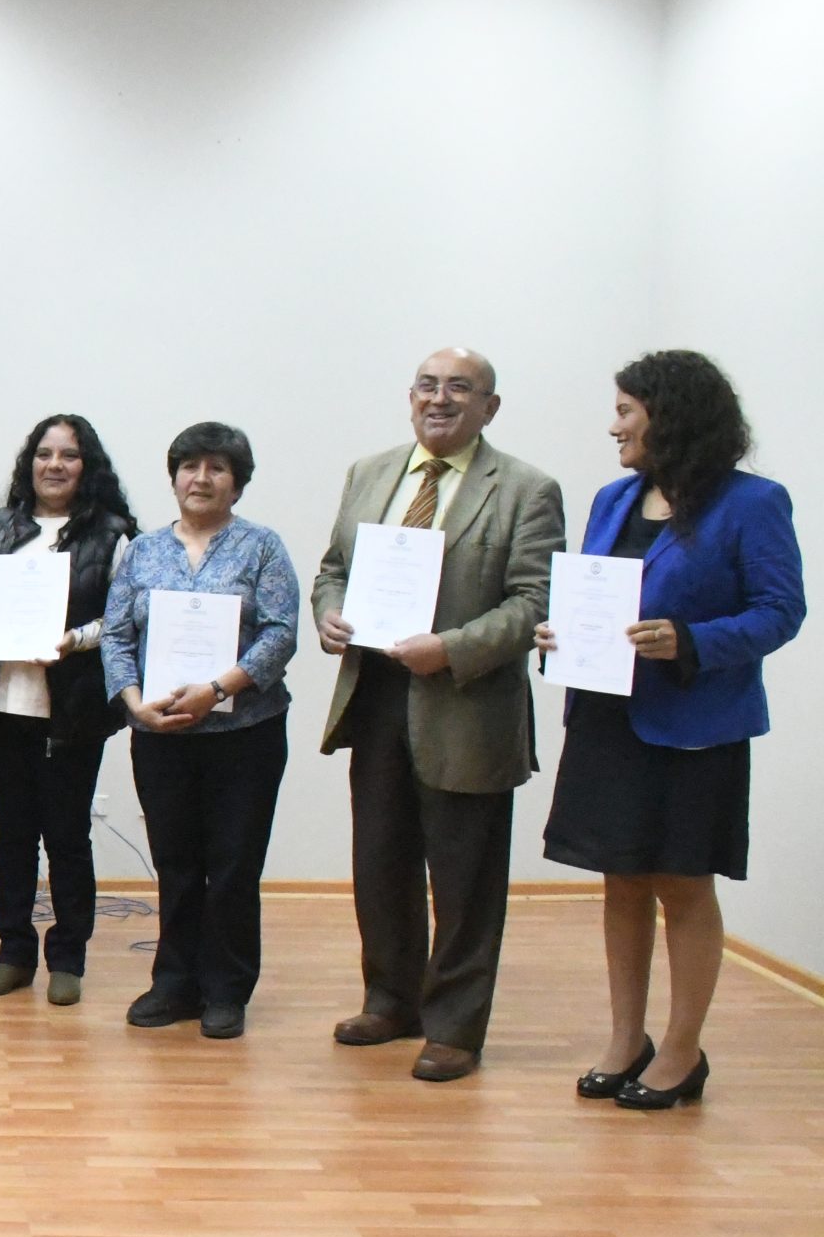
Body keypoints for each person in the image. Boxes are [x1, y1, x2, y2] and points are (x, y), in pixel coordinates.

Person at [539, 351, 804, 1110]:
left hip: (694, 724)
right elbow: (597, 592)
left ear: (671, 415)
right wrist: (560, 633)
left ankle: (683, 1050)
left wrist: (690, 640)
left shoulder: (753, 502)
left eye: (626, 410)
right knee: (621, 878)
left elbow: (780, 611)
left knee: (683, 884)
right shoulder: (612, 498)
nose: (614, 426)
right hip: (607, 716)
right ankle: (627, 1038)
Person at [312, 350, 564, 1082]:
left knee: (465, 877)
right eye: (428, 385)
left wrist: (450, 649)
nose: (440, 399)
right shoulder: (369, 473)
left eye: (460, 388)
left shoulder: (526, 488)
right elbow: (333, 569)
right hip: (376, 696)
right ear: (410, 395)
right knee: (380, 861)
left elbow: (534, 601)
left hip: (466, 703)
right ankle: (391, 1001)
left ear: (490, 406)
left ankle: (455, 1025)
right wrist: (330, 614)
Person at [99, 422, 300, 1040]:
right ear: (174, 477)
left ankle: (227, 989)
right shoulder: (143, 551)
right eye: (190, 466)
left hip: (245, 735)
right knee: (176, 862)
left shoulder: (261, 547)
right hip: (161, 735)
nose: (201, 478)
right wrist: (134, 704)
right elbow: (115, 635)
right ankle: (174, 982)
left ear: (237, 483)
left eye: (217, 468)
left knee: (233, 865)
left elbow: (280, 633)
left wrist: (217, 688)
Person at [0, 414, 137, 1007]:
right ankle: (12, 954)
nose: (54, 465)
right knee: (13, 836)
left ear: (87, 467)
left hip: (74, 712)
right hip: (3, 705)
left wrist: (75, 640)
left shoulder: (113, 535)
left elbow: (124, 618)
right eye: (44, 453)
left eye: (68, 455)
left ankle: (67, 959)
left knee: (67, 837)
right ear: (29, 462)